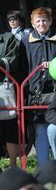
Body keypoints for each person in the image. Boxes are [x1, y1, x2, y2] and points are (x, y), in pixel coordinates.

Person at [21, 7, 56, 165]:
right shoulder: (25, 41)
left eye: (44, 20)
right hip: (35, 92)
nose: (41, 23)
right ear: (32, 23)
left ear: (50, 21)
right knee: (40, 131)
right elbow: (22, 67)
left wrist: (55, 65)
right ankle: (43, 169)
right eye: (38, 21)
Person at [0, 19, 20, 165]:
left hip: (4, 87)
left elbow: (13, 60)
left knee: (10, 129)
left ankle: (13, 165)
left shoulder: (8, 37)